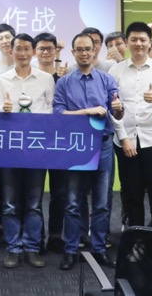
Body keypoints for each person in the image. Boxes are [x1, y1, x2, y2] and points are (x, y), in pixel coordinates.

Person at [55, 33, 123, 271]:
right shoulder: (64, 82)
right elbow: (58, 114)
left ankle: (99, 249)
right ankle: (71, 250)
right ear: (73, 52)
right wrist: (88, 111)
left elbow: (117, 112)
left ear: (95, 51)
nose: (84, 53)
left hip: (102, 144)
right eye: (79, 49)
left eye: (88, 49)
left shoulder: (106, 79)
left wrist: (118, 108)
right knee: (73, 203)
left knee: (102, 202)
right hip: (75, 146)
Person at [0, 33, 55, 269]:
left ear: (33, 52)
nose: (22, 53)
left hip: (36, 148)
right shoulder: (1, 80)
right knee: (10, 203)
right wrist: (2, 109)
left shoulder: (46, 79)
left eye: (26, 48)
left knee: (34, 203)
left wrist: (34, 122)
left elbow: (51, 110)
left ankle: (31, 248)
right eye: (18, 48)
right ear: (11, 52)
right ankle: (13, 248)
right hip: (9, 148)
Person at [110, 22, 152, 229]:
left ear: (150, 42)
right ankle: (135, 240)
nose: (138, 43)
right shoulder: (115, 70)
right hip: (126, 142)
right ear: (127, 42)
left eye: (143, 40)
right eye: (134, 39)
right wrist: (123, 138)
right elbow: (112, 108)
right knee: (132, 195)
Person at [33, 32, 68, 251]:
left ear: (56, 51)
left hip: (60, 143)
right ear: (35, 51)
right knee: (34, 195)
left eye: (49, 48)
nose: (46, 52)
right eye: (41, 48)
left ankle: (55, 236)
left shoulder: (64, 79)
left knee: (60, 193)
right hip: (34, 142)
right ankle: (36, 238)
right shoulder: (30, 77)